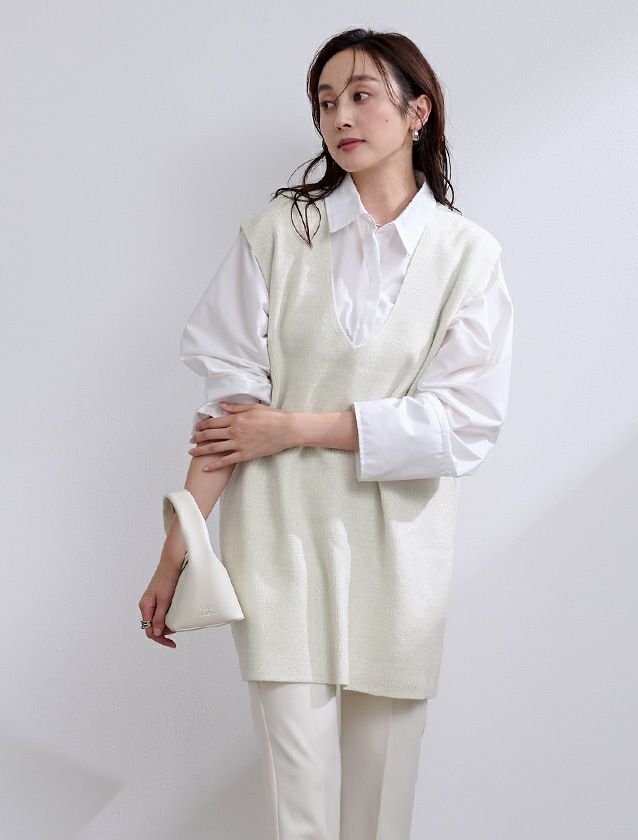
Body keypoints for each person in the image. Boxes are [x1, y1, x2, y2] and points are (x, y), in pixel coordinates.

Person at [139, 27, 514, 840]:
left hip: (399, 560)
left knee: (381, 812)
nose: (339, 115)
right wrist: (176, 552)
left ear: (417, 112)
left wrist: (293, 427)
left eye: (361, 96)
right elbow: (228, 414)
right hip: (278, 547)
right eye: (325, 101)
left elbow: (463, 426)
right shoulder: (278, 234)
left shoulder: (467, 257)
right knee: (298, 810)